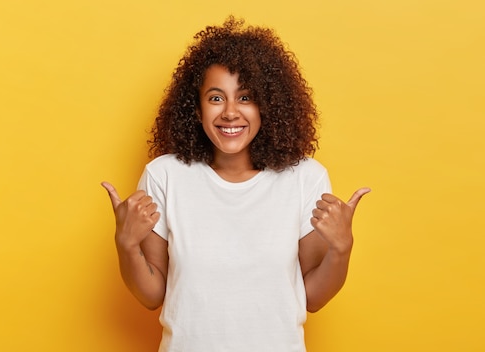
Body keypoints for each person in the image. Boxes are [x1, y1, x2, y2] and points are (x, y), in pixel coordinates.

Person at [102, 16, 370, 352]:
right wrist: (125, 244)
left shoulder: (305, 177)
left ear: (266, 107)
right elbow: (152, 295)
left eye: (245, 98)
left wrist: (342, 249)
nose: (230, 112)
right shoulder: (165, 175)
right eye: (216, 98)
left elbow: (312, 297)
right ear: (196, 110)